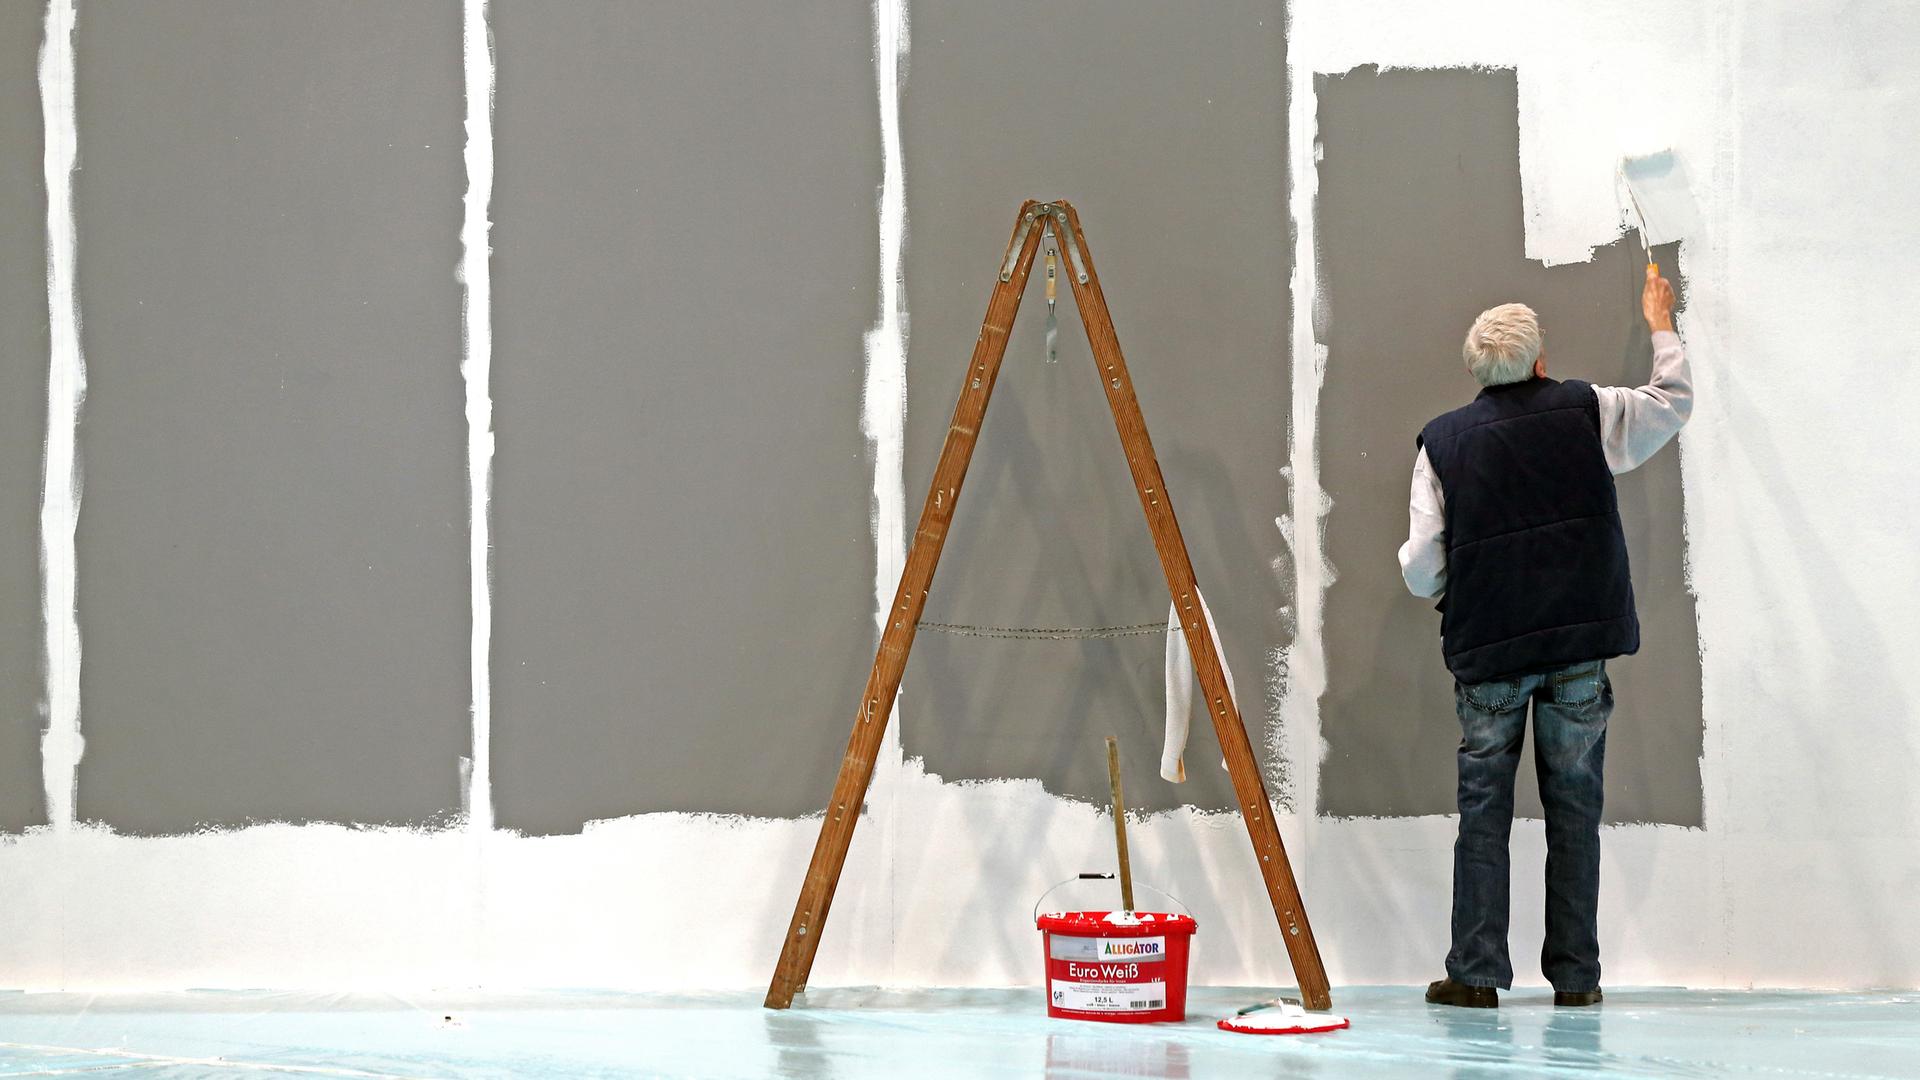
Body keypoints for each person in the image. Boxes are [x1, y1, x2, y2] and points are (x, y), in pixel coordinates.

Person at [1401, 266, 1690, 1008]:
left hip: (1490, 652)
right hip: (1575, 651)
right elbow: (1671, 404)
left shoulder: (1443, 443)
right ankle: (1576, 979)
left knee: (1484, 815)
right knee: (1574, 810)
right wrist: (1660, 320)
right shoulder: (1585, 409)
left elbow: (1420, 566)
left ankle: (1474, 976)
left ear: (1476, 371)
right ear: (1538, 361)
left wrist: (1456, 584)